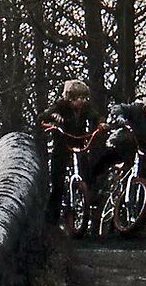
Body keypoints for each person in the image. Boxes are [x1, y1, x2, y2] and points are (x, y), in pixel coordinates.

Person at [39, 79, 100, 222]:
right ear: (69, 98)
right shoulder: (60, 106)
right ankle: (52, 219)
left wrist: (101, 123)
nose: (81, 101)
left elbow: (95, 116)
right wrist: (53, 117)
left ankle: (90, 201)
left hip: (78, 143)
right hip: (62, 146)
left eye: (83, 98)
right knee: (57, 183)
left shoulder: (85, 108)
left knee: (88, 172)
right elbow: (43, 117)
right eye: (77, 98)